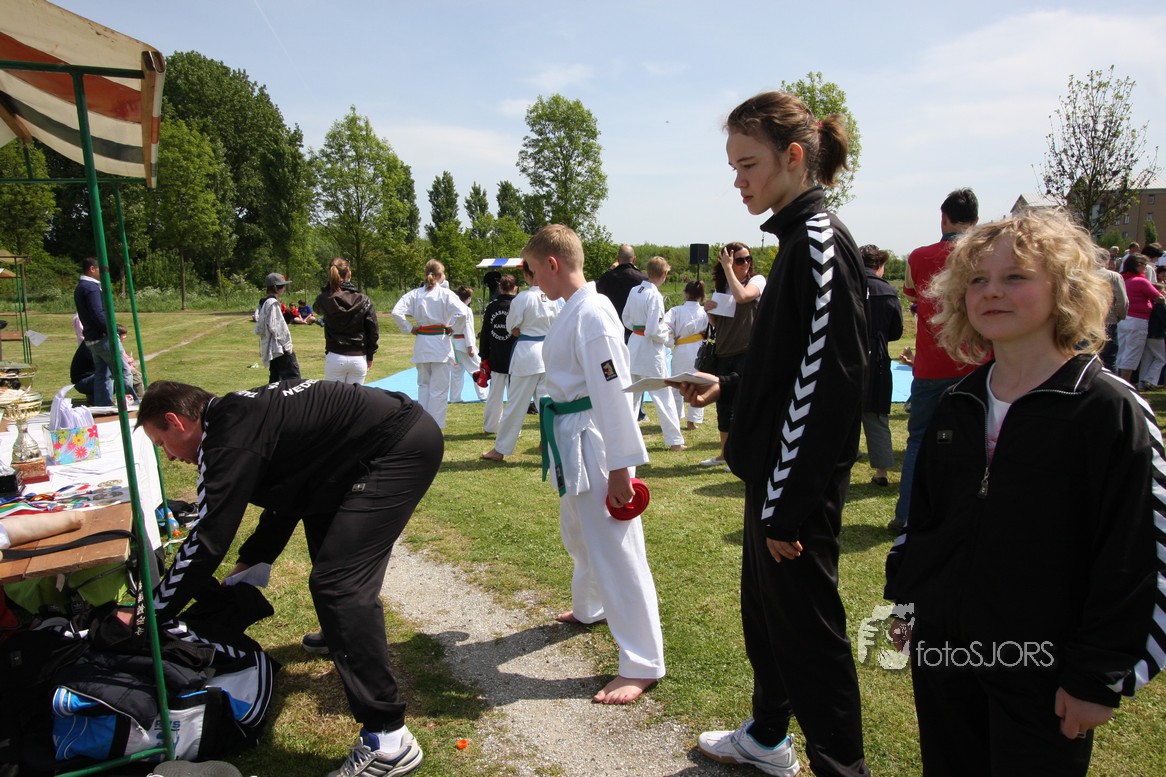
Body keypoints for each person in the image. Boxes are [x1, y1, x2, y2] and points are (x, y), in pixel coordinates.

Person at [884, 209, 1165, 776]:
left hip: (1047, 668)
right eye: (978, 280)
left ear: (1065, 288)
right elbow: (924, 522)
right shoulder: (959, 403)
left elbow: (1139, 554)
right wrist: (907, 606)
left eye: (1015, 277)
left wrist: (1099, 677)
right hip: (945, 656)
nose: (992, 291)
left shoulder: (1108, 410)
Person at [674, 91, 869, 777]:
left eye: (747, 163)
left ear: (792, 157)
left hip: (796, 487)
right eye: (732, 166)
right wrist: (730, 387)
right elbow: (789, 365)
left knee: (809, 636)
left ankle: (843, 768)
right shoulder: (794, 241)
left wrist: (785, 505)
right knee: (768, 621)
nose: (738, 181)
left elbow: (830, 387)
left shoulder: (817, 244)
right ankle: (764, 735)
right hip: (778, 479)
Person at [136, 379, 442, 777]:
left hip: (398, 446)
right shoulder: (236, 416)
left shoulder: (226, 438)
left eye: (162, 443)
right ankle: (341, 636)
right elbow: (292, 490)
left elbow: (208, 538)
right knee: (326, 544)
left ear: (176, 421)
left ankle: (389, 739)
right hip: (359, 452)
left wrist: (150, 613)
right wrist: (254, 558)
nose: (169, 456)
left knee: (339, 584)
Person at [524, 224, 665, 704]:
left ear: (553, 264)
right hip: (572, 435)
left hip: (595, 441)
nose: (532, 280)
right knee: (579, 535)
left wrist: (622, 467)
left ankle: (643, 660)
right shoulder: (575, 308)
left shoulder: (593, 314)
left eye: (533, 270)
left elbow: (614, 392)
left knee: (616, 549)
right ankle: (590, 606)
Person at [891, 188, 980, 533]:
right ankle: (965, 514)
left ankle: (906, 514)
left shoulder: (918, 256)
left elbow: (913, 295)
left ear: (943, 219)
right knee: (975, 442)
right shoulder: (983, 256)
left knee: (919, 440)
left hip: (930, 365)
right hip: (976, 364)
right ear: (975, 221)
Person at [481, 262, 560, 461]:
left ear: (526, 275)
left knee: (515, 404)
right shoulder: (554, 298)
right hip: (548, 352)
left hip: (527, 353)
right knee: (547, 403)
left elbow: (512, 327)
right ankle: (553, 445)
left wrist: (522, 330)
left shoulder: (523, 298)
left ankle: (500, 449)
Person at [698, 241, 766, 468]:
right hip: (723, 353)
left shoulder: (757, 281)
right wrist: (710, 312)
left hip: (747, 353)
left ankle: (740, 455)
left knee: (742, 405)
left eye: (748, 259)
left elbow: (743, 297)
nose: (745, 264)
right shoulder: (723, 287)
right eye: (739, 260)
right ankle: (724, 455)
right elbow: (721, 324)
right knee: (724, 406)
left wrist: (728, 268)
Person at [390, 260, 468, 429]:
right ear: (440, 275)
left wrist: (410, 328)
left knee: (423, 386)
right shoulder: (446, 294)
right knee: (439, 390)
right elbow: (463, 313)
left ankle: (421, 424)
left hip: (423, 343)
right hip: (440, 344)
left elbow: (396, 312)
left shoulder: (415, 294)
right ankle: (435, 426)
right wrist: (453, 327)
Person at [622, 256, 686, 451]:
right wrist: (668, 339)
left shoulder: (634, 291)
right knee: (663, 394)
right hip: (650, 348)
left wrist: (637, 329)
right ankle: (674, 441)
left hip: (634, 343)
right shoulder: (654, 295)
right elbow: (653, 329)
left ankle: (627, 438)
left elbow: (626, 318)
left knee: (633, 394)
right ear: (665, 274)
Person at [859, 245, 903, 487]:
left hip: (848, 357)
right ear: (879, 265)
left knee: (844, 415)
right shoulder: (888, 291)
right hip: (877, 359)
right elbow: (896, 331)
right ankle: (881, 471)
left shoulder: (847, 286)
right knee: (877, 415)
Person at [74, 257, 133, 407]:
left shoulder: (80, 287)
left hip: (91, 338)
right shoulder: (91, 288)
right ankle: (132, 403)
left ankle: (103, 406)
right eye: (101, 269)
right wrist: (113, 329)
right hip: (102, 337)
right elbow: (98, 314)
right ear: (92, 269)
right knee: (123, 371)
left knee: (103, 374)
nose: (104, 273)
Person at [315, 257, 379, 386]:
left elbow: (317, 309)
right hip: (358, 356)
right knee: (354, 398)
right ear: (349, 273)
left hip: (335, 355)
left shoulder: (325, 298)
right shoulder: (363, 299)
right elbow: (373, 330)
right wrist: (370, 355)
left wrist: (329, 287)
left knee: (333, 397)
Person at [665, 279, 709, 429]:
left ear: (685, 293)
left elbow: (663, 326)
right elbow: (712, 330)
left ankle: (676, 418)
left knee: (677, 384)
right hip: (700, 351)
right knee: (698, 384)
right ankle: (692, 421)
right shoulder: (705, 312)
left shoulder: (676, 311)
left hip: (681, 351)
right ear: (701, 295)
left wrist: (671, 341)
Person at [1116, 253, 1164, 387]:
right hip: (1138, 320)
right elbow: (1159, 297)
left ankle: (1119, 381)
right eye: (1144, 265)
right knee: (1132, 352)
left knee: (1123, 351)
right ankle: (1125, 384)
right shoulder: (1141, 281)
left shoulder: (1123, 279)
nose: (1145, 267)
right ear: (1137, 266)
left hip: (1124, 319)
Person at [479, 274, 518, 435]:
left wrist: (483, 356)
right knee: (514, 397)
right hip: (514, 356)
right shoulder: (518, 305)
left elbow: (485, 333)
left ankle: (491, 426)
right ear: (516, 288)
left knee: (494, 395)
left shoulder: (492, 306)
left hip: (495, 355)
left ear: (500, 288)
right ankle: (513, 429)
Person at [255, 272, 301, 383]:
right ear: (275, 287)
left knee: (275, 381)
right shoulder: (273, 303)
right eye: (282, 285)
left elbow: (260, 326)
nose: (284, 288)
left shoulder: (264, 302)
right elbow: (277, 328)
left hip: (272, 348)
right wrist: (288, 347)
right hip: (280, 347)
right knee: (293, 380)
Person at [595, 244, 647, 339]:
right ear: (634, 259)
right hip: (636, 332)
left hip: (613, 330)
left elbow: (596, 289)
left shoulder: (608, 277)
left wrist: (610, 269)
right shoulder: (644, 279)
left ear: (618, 260)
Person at [449, 285, 488, 404]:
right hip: (464, 343)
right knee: (477, 369)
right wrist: (470, 346)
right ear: (469, 298)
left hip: (453, 343)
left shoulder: (452, 310)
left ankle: (455, 398)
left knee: (456, 372)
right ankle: (483, 395)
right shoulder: (466, 310)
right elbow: (468, 329)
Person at [1097, 247, 1129, 372]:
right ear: (1107, 260)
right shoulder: (1113, 276)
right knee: (1109, 359)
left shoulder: (1082, 275)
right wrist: (1120, 316)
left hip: (1085, 321)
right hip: (1108, 320)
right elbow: (1123, 301)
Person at [114, 324, 146, 401]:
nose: (125, 337)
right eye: (123, 335)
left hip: (128, 369)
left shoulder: (117, 344)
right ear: (118, 335)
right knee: (138, 382)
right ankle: (139, 399)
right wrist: (130, 359)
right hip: (128, 370)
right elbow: (121, 358)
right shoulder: (117, 344)